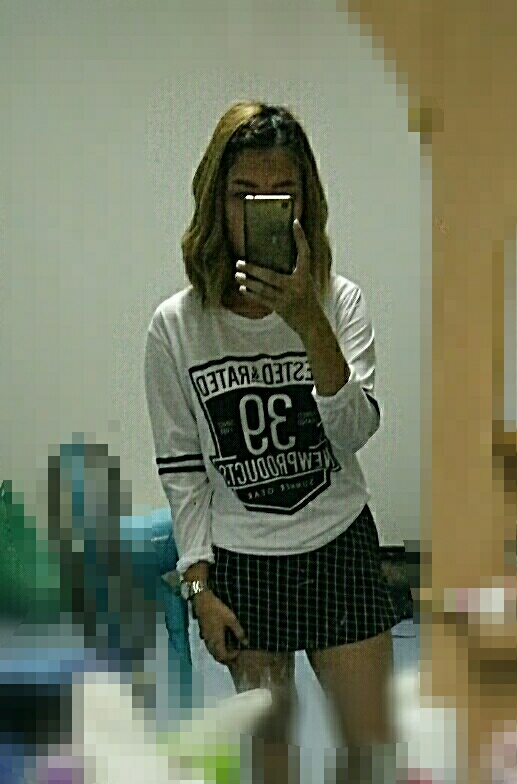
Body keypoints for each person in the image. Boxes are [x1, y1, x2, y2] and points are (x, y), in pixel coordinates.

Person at [144, 101, 402, 784]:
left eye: (281, 192)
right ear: (215, 202)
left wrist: (309, 321)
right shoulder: (177, 326)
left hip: (338, 544)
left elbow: (354, 432)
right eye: (243, 194)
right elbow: (182, 469)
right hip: (245, 563)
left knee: (370, 750)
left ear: (305, 201)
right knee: (271, 760)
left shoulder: (340, 303)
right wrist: (198, 586)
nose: (261, 208)